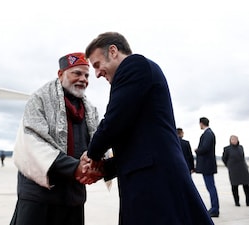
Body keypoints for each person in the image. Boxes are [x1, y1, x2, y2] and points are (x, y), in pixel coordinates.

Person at [80, 32, 214, 225]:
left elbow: (114, 120)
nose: (97, 73)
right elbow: (136, 143)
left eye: (97, 65)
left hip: (156, 182)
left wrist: (92, 155)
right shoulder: (134, 77)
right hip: (150, 180)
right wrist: (104, 168)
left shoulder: (135, 66)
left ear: (113, 51)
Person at [10, 52, 101, 225]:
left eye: (86, 75)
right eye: (77, 73)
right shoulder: (39, 100)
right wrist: (75, 167)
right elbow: (33, 142)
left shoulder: (90, 110)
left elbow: (97, 143)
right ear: (61, 74)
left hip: (73, 197)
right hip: (40, 197)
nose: (83, 79)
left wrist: (96, 166)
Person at [195, 117, 220, 217]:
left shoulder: (208, 134)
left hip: (207, 165)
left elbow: (205, 148)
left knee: (211, 187)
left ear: (201, 123)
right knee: (210, 187)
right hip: (208, 165)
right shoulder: (208, 133)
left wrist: (197, 150)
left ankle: (215, 209)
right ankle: (214, 208)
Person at [222, 135, 249, 206]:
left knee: (246, 186)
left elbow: (243, 157)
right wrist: (228, 165)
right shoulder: (227, 149)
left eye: (235, 139)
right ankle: (237, 202)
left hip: (243, 168)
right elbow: (224, 159)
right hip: (233, 169)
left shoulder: (241, 147)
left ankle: (248, 201)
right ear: (230, 140)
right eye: (232, 139)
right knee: (234, 186)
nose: (234, 140)